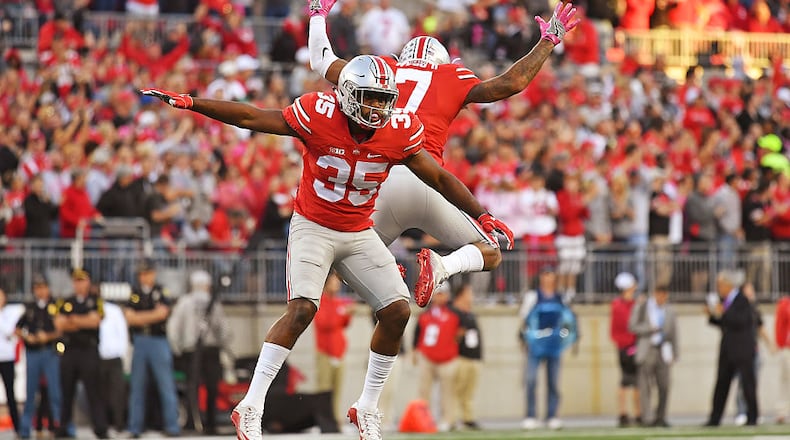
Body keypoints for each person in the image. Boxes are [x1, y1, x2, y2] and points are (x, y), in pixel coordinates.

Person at [142, 52, 514, 440]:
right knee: (303, 308)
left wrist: (481, 214)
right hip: (314, 226)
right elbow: (251, 116)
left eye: (386, 99)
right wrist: (193, 102)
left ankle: (366, 407)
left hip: (359, 231)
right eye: (371, 98)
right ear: (350, 94)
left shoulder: (398, 129)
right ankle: (251, 403)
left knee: (398, 311)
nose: (379, 108)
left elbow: (438, 176)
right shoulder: (318, 113)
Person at [306, 0, 578, 306]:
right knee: (490, 250)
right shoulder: (452, 76)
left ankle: (388, 274)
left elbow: (320, 60)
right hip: (426, 180)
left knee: (346, 262)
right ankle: (443, 266)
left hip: (380, 182)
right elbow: (512, 83)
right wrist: (548, 40)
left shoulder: (385, 69)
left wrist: (318, 14)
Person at [168, 270, 232, 435]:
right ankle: (210, 423)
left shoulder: (184, 302)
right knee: (212, 388)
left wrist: (177, 348)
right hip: (210, 351)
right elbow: (222, 329)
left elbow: (173, 327)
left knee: (192, 387)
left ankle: (192, 422)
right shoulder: (213, 302)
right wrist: (225, 344)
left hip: (190, 351)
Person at [123, 260, 180, 438]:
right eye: (141, 274)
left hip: (158, 340)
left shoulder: (161, 291)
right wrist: (150, 316)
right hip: (140, 341)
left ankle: (172, 425)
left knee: (166, 384)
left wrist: (140, 317)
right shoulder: (135, 293)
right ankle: (135, 426)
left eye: (147, 273)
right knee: (137, 385)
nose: (144, 277)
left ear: (153, 274)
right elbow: (129, 318)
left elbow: (162, 313)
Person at [519, 265, 578, 431]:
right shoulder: (532, 296)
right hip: (535, 346)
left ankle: (552, 416)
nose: (548, 278)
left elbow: (569, 320)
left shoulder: (561, 297)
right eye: (545, 274)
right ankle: (531, 415)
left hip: (554, 346)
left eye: (550, 274)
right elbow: (524, 320)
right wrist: (526, 341)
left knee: (553, 382)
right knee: (530, 380)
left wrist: (567, 340)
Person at [54, 268, 108, 439]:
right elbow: (59, 324)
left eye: (82, 280)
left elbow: (95, 321)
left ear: (88, 281)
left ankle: (101, 429)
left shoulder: (95, 300)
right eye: (76, 281)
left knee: (94, 391)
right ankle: (63, 428)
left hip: (88, 351)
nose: (79, 284)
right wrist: (83, 320)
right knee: (66, 391)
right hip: (70, 350)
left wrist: (74, 319)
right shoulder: (65, 301)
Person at [704, 270, 758, 427]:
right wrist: (712, 316)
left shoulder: (742, 300)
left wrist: (723, 312)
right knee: (721, 384)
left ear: (728, 284)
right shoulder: (725, 301)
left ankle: (752, 416)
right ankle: (715, 418)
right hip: (727, 349)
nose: (719, 288)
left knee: (748, 384)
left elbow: (740, 321)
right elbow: (725, 323)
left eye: (720, 285)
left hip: (742, 349)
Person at [15, 274, 62, 440]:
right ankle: (26, 429)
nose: (40, 291)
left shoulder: (55, 306)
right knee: (30, 392)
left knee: (55, 392)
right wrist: (28, 337)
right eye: (37, 288)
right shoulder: (30, 308)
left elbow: (60, 329)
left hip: (50, 351)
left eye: (42, 287)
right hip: (33, 352)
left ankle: (58, 427)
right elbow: (18, 328)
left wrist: (47, 336)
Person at [413, 283, 461, 432]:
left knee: (448, 392)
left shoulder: (455, 313)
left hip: (447, 357)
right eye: (438, 293)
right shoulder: (425, 314)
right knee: (424, 391)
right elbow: (417, 333)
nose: (440, 297)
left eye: (442, 294)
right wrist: (415, 351)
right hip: (427, 356)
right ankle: (424, 419)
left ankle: (448, 419)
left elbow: (461, 332)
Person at [629, 284, 678, 428]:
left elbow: (674, 333)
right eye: (659, 294)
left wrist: (675, 353)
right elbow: (632, 326)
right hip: (647, 349)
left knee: (664, 385)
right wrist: (649, 329)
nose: (661, 298)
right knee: (645, 386)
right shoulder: (644, 307)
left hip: (663, 350)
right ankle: (647, 418)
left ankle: (661, 416)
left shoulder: (670, 310)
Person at [313, 272, 353, 424]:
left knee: (337, 389)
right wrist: (342, 314)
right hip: (324, 352)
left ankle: (335, 419)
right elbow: (324, 323)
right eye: (333, 282)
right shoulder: (320, 302)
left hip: (339, 352)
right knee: (324, 389)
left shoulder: (338, 302)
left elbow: (343, 324)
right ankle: (323, 419)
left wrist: (346, 315)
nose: (337, 285)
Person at [734, 283, 775, 426]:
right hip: (741, 351)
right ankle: (741, 412)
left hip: (754, 350)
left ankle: (752, 412)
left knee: (753, 383)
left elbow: (760, 327)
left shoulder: (754, 310)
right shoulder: (737, 309)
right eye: (749, 290)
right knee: (742, 383)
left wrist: (770, 344)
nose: (752, 292)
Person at [609, 272, 641, 427]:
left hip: (632, 345)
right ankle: (626, 413)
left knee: (635, 381)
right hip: (626, 346)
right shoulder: (619, 305)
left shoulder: (631, 304)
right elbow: (628, 324)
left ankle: (637, 412)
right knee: (627, 380)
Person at [451, 284, 483, 430]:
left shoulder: (470, 313)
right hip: (460, 356)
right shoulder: (454, 313)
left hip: (474, 357)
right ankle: (454, 418)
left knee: (469, 390)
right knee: (457, 389)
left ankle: (467, 418)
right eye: (469, 293)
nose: (472, 296)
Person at [98, 298, 129, 434]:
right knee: (100, 393)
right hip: (98, 356)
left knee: (118, 392)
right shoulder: (92, 309)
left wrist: (121, 352)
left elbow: (122, 332)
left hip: (115, 357)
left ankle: (119, 423)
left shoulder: (114, 310)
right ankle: (103, 424)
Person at [0, 287, 24, 436]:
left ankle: (18, 427)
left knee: (10, 393)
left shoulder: (10, 313)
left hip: (6, 358)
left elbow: (11, 331)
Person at [776, 290, 790, 424]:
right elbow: (780, 326)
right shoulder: (785, 304)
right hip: (787, 348)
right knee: (785, 380)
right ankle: (782, 411)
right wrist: (780, 344)